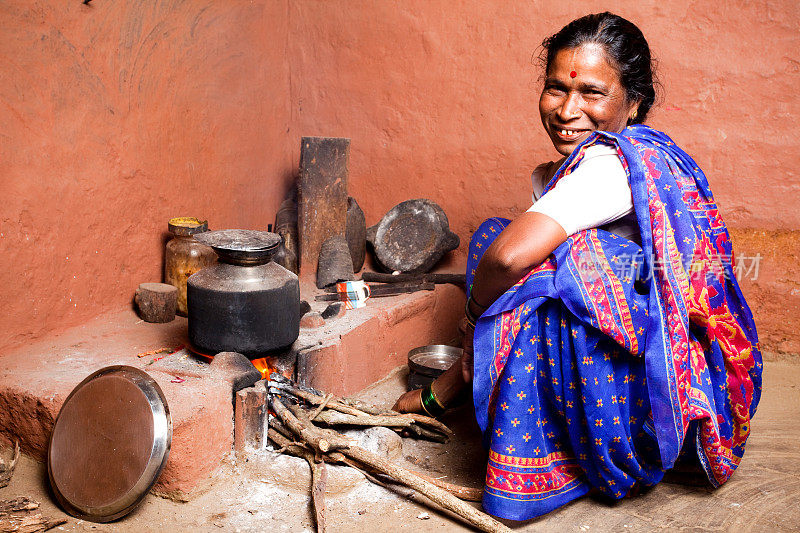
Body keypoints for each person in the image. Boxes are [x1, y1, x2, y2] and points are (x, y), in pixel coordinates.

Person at [394, 12, 762, 521]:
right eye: (555, 89)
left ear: (633, 104)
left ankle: (555, 457)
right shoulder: (624, 157)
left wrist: (474, 315)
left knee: (524, 268)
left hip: (645, 403)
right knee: (517, 245)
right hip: (659, 375)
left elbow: (508, 257)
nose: (568, 109)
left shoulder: (609, 165)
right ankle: (500, 399)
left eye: (592, 92)